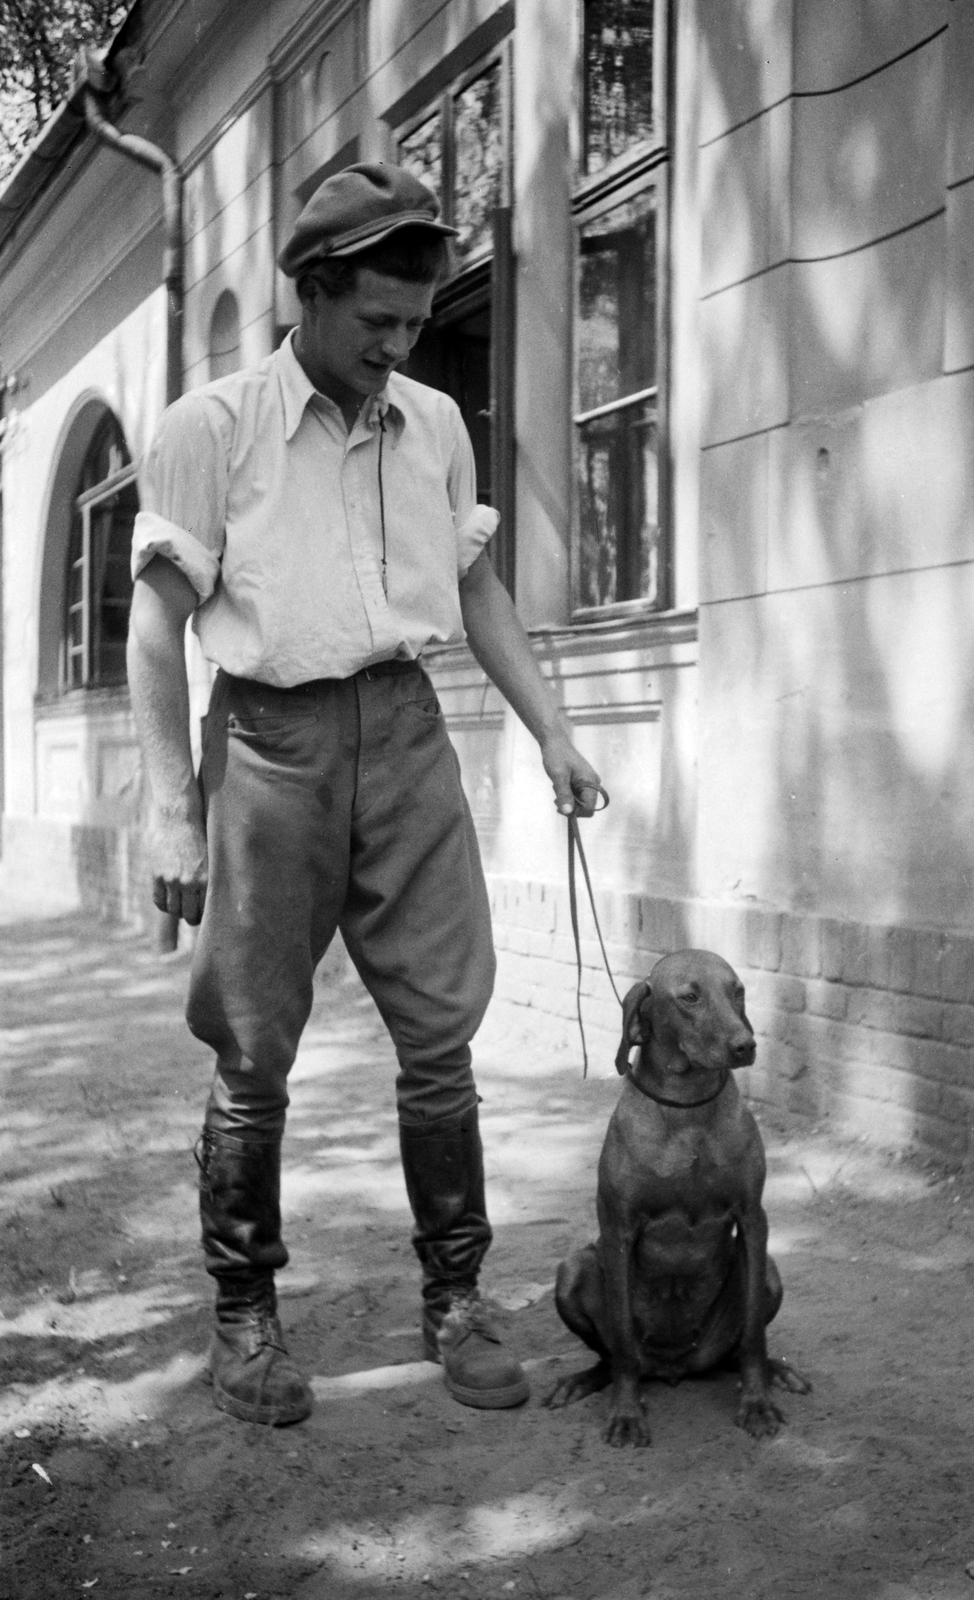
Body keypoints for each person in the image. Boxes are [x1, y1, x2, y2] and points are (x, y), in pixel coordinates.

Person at [127, 162, 603, 1427]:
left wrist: (551, 731)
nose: (400, 346)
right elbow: (152, 626)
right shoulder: (211, 429)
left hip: (404, 736)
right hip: (271, 749)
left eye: (414, 322)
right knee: (252, 1046)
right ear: (311, 293)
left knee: (441, 1035)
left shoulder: (434, 425)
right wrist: (172, 804)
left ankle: (456, 1298)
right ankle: (246, 1318)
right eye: (376, 322)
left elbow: (479, 589)